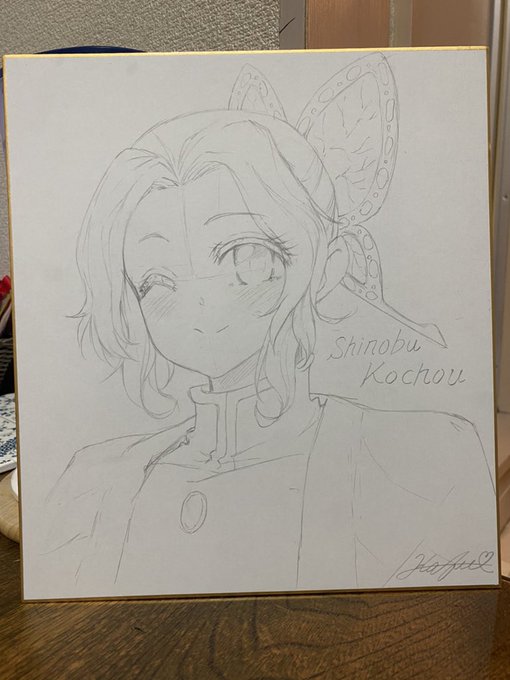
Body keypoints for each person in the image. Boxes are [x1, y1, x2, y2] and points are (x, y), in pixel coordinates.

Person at [42, 61, 496, 598]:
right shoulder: (90, 481)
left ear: (327, 267)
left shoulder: (424, 458)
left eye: (244, 256)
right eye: (156, 281)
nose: (201, 303)